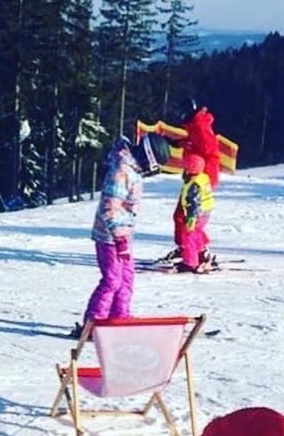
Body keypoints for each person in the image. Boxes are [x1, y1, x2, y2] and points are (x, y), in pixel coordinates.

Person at [81, 132, 172, 326]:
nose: (151, 171)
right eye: (153, 166)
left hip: (123, 235)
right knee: (113, 280)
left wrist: (124, 236)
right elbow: (110, 206)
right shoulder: (122, 171)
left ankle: (118, 316)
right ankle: (93, 322)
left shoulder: (132, 170)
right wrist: (119, 237)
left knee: (127, 277)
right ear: (147, 157)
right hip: (108, 236)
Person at [169, 98, 221, 262]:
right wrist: (182, 143)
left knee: (186, 217)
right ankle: (191, 248)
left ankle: (195, 251)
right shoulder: (196, 125)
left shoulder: (199, 126)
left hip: (200, 178)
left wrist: (198, 173)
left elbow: (209, 149)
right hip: (197, 176)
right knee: (184, 216)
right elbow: (197, 143)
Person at [177, 153, 215, 273]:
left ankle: (190, 262)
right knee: (197, 234)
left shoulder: (194, 184)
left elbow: (194, 202)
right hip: (205, 212)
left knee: (189, 237)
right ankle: (200, 254)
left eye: (185, 168)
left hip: (196, 214)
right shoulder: (202, 178)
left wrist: (191, 218)